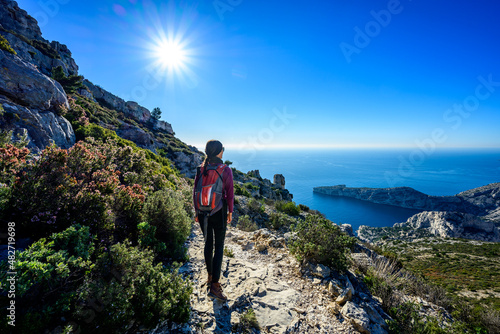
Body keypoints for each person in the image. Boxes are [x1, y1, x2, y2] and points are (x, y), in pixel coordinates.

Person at [193, 139, 234, 301]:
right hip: (219, 211)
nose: (223, 151)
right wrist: (230, 212)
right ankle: (215, 287)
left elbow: (194, 191)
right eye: (222, 149)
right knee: (219, 247)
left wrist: (197, 211)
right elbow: (229, 194)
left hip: (202, 212)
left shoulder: (201, 169)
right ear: (219, 152)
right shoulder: (225, 170)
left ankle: (210, 277)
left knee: (207, 244)